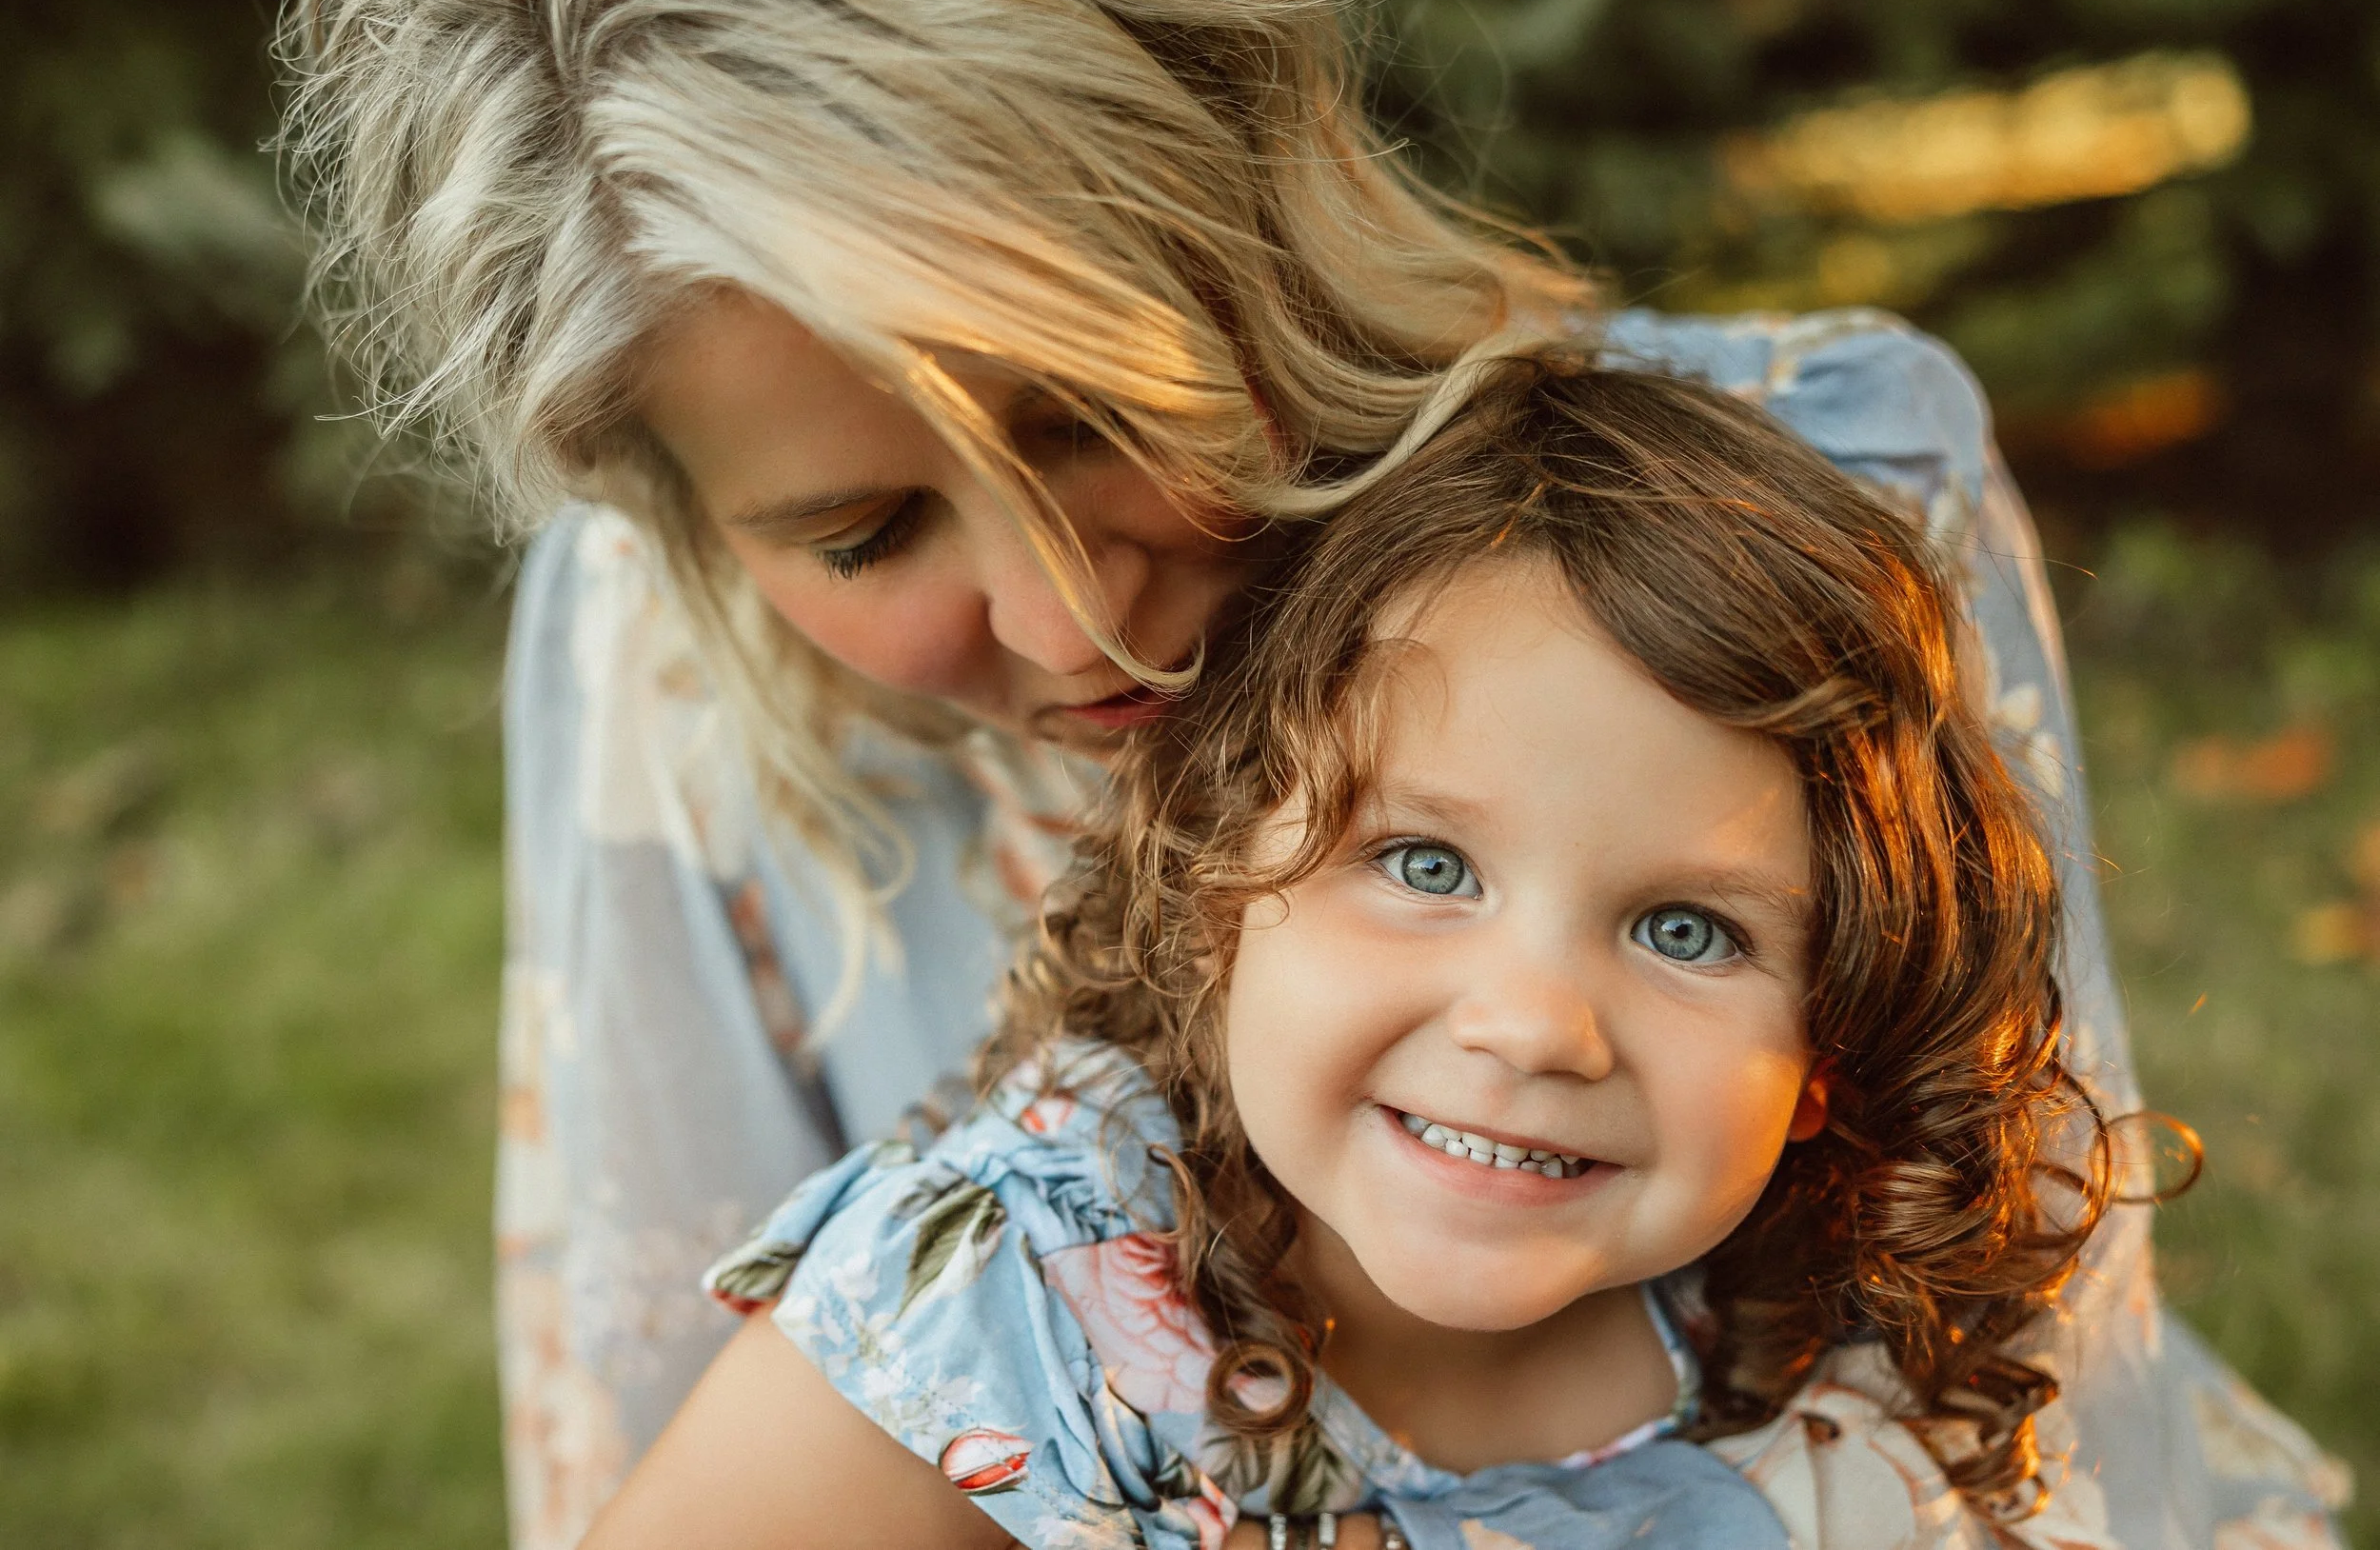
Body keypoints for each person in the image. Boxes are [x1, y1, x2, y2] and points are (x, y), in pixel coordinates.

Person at [277, 0, 2346, 1546]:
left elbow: (2017, 1267)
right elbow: (660, 1412)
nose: (1065, 615)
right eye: (866, 532)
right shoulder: (683, 688)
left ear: (1256, 223)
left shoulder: (1811, 501)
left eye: (1089, 411)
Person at [587, 359, 2142, 1550]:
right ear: (1214, 890)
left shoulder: (1837, 1334)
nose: (1535, 1023)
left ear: (1833, 1043)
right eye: (1424, 863)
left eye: (1688, 930)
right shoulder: (1010, 1303)